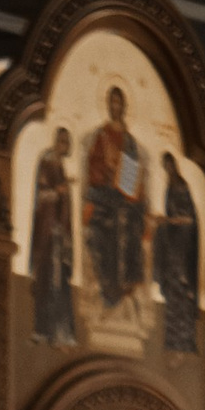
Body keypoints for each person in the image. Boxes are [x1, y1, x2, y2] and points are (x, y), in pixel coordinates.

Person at [82, 83, 147, 314]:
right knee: (104, 230)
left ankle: (126, 285)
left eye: (118, 102)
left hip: (124, 198)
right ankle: (109, 289)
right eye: (112, 102)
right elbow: (93, 168)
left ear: (124, 107)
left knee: (130, 223)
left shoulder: (129, 140)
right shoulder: (101, 136)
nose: (115, 106)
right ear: (108, 106)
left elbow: (133, 175)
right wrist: (106, 172)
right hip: (104, 198)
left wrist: (126, 182)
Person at [27, 129, 77, 347]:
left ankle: (60, 333)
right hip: (47, 233)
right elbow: (42, 195)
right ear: (57, 142)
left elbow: (63, 201)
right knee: (47, 280)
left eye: (67, 142)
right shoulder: (47, 163)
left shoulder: (61, 167)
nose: (64, 146)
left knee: (60, 282)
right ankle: (43, 331)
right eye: (62, 141)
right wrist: (59, 191)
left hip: (59, 234)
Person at [154, 152, 200, 354]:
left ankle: (184, 342)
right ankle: (173, 342)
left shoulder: (181, 187)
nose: (168, 170)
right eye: (165, 167)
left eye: (169, 166)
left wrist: (167, 222)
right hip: (173, 245)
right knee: (173, 294)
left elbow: (188, 219)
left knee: (182, 290)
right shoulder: (170, 187)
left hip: (183, 248)